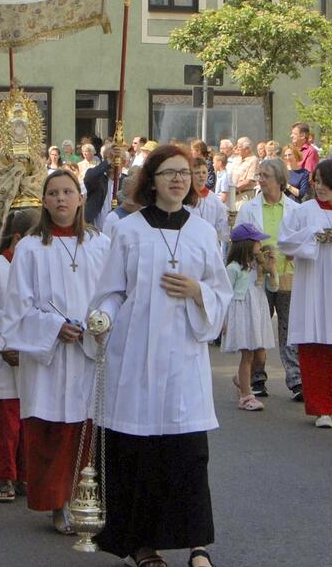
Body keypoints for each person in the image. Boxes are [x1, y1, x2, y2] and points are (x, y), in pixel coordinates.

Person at [89, 145, 231, 567]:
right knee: (137, 453)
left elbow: (221, 293)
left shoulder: (203, 232)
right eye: (169, 173)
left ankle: (196, 544)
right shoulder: (127, 231)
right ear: (151, 180)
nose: (178, 180)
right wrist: (100, 317)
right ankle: (140, 545)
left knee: (187, 453)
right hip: (134, 353)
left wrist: (197, 292)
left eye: (184, 173)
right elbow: (113, 291)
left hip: (183, 358)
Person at [2, 171, 111, 532]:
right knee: (50, 431)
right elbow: (17, 306)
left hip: (88, 351)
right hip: (49, 355)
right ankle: (55, 503)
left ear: (80, 198)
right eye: (53, 193)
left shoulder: (100, 244)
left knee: (85, 429)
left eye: (68, 192)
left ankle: (84, 500)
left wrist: (99, 322)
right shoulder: (31, 248)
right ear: (44, 202)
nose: (61, 199)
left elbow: (114, 295)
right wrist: (53, 327)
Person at [278, 159, 332, 429]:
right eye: (316, 180)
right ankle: (321, 408)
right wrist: (313, 236)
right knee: (316, 347)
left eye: (325, 182)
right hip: (313, 285)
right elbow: (285, 240)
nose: (319, 186)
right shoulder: (304, 212)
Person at [0, 207, 39, 503]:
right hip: (2, 358)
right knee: (6, 424)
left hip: (30, 357)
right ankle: (4, 476)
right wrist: (4, 347)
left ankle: (24, 473)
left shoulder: (36, 269)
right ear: (17, 238)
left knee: (28, 422)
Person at [237, 158, 303, 400]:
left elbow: (301, 240)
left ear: (280, 180)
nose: (260, 180)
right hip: (258, 276)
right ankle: (257, 379)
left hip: (288, 274)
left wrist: (294, 253)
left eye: (265, 175)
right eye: (259, 175)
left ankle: (296, 380)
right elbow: (239, 243)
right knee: (259, 327)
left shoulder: (296, 209)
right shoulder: (249, 208)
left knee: (289, 329)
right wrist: (257, 257)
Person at [222, 222, 274, 412]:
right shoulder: (234, 268)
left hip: (257, 310)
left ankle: (240, 380)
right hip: (242, 311)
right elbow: (225, 293)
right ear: (246, 244)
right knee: (248, 354)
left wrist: (271, 269)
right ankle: (246, 395)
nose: (260, 245)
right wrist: (224, 320)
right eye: (257, 241)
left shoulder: (257, 266)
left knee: (260, 356)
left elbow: (272, 287)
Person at [187, 153, 230, 246]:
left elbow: (222, 229)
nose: (201, 176)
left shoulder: (214, 199)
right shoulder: (184, 198)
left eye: (204, 172)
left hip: (209, 244)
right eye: (197, 173)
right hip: (189, 243)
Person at [83, 142, 122, 228]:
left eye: (115, 158)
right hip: (97, 232)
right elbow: (89, 177)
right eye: (108, 158)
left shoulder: (127, 182)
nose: (112, 162)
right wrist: (108, 161)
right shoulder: (98, 180)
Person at [229, 137, 259, 215]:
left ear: (247, 149)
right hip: (232, 197)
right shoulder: (236, 159)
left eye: (239, 147)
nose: (237, 149)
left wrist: (232, 189)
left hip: (244, 197)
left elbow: (249, 181)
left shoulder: (254, 160)